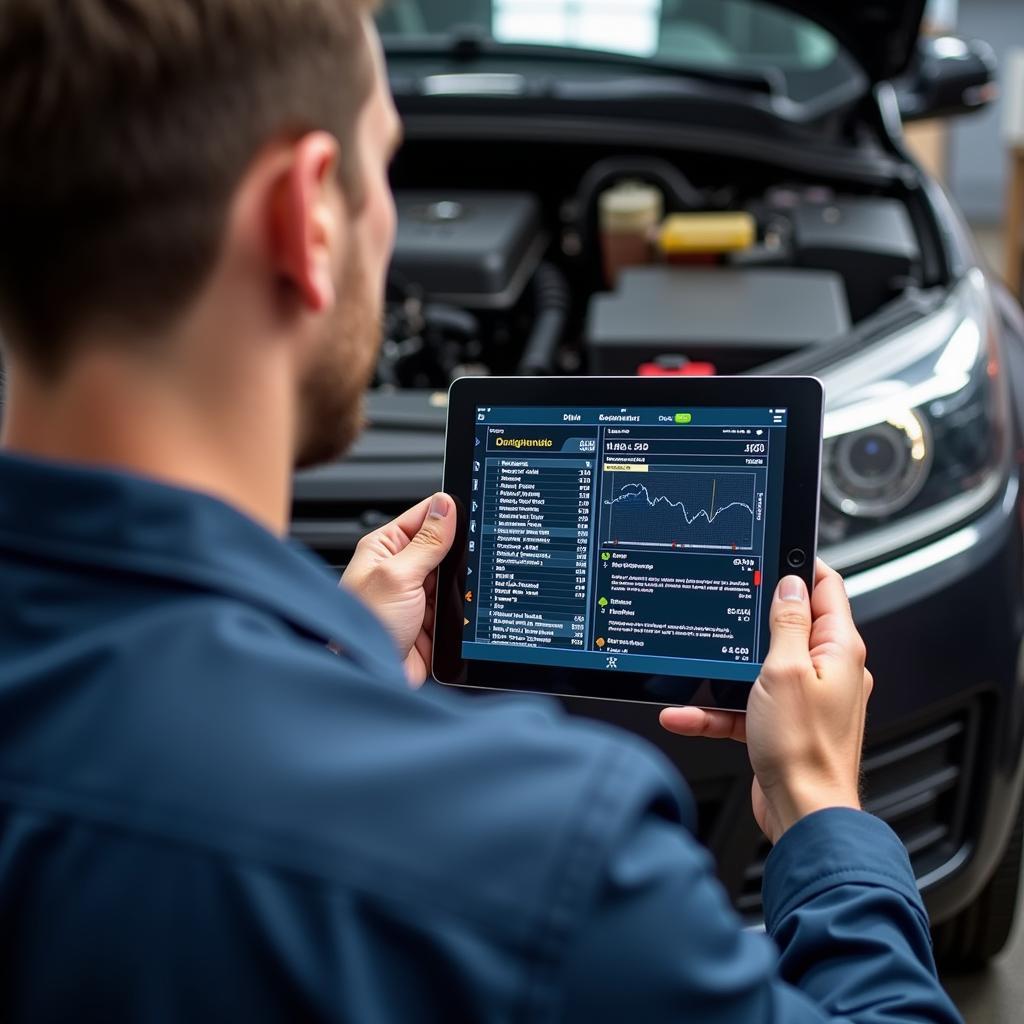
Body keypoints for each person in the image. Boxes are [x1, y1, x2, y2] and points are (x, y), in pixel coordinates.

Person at [0, 2, 962, 1021]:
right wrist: (821, 812)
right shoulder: (548, 854)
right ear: (306, 215)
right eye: (386, 169)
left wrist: (323, 679)